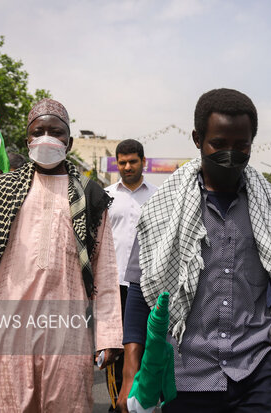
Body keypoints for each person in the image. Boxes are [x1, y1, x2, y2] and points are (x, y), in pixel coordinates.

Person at [116, 88, 271, 412]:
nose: (230, 154)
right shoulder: (163, 208)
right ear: (197, 138)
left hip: (255, 375)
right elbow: (139, 291)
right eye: (219, 144)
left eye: (240, 145)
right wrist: (131, 373)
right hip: (183, 379)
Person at [0, 98, 123, 412]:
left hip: (68, 331)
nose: (47, 137)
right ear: (27, 140)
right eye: (39, 131)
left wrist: (108, 335)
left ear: (68, 141)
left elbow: (105, 269)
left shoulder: (90, 194)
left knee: (66, 404)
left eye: (56, 132)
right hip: (8, 327)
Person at [104, 139, 157, 408]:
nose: (127, 167)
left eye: (132, 161)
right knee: (116, 349)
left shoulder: (159, 196)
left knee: (147, 348)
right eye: (122, 162)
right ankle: (118, 404)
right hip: (114, 286)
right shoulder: (105, 196)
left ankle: (144, 402)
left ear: (143, 162)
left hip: (150, 284)